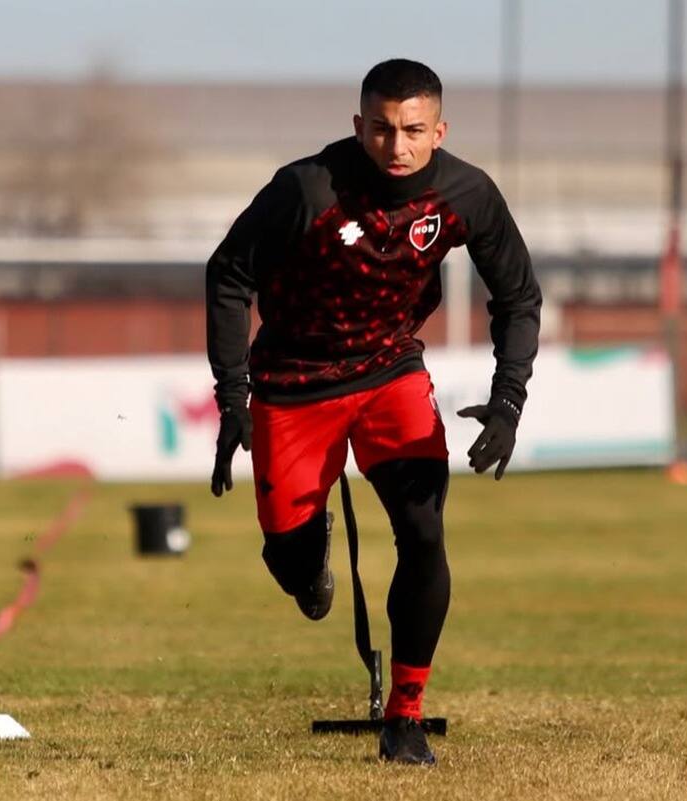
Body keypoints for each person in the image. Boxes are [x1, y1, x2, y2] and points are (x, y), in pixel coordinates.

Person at [206, 58, 540, 765]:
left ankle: (406, 716)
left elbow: (517, 296)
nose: (397, 146)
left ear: (439, 130)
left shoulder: (467, 194)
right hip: (294, 383)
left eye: (414, 130)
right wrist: (232, 395)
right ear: (359, 126)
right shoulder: (308, 189)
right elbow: (228, 273)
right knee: (291, 564)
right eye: (383, 129)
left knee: (423, 531)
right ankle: (307, 556)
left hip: (390, 371)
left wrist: (509, 398)